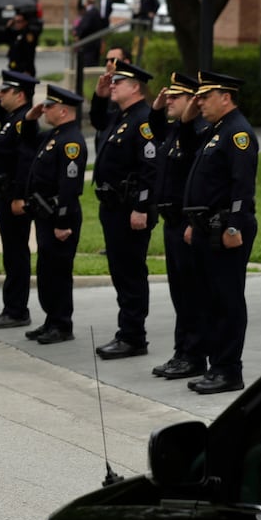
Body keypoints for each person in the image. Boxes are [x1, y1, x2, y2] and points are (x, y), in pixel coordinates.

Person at [180, 70, 258, 394]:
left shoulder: (237, 133)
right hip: (205, 228)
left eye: (205, 97)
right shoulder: (216, 131)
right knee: (210, 301)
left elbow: (242, 186)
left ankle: (229, 371)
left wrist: (233, 226)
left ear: (226, 97)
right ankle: (216, 367)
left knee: (227, 302)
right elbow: (184, 137)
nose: (199, 103)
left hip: (226, 228)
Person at [89, 60, 159, 360]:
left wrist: (142, 207)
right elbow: (97, 120)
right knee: (120, 271)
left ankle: (133, 337)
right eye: (112, 81)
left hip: (130, 209)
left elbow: (151, 168)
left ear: (136, 87)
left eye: (119, 81)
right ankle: (127, 332)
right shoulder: (121, 116)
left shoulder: (144, 120)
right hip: (113, 207)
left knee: (130, 273)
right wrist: (100, 95)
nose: (113, 84)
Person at [148, 72, 209, 380]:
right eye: (168, 96)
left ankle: (194, 356)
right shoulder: (175, 130)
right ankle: (181, 352)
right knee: (179, 294)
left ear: (192, 102)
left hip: (186, 225)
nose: (168, 100)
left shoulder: (197, 131)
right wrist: (157, 108)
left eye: (175, 97)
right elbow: (157, 132)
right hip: (171, 223)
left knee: (191, 295)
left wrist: (189, 222)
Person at [23, 85, 87, 345]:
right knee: (47, 270)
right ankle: (51, 319)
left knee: (59, 271)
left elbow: (69, 186)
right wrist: (30, 118)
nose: (44, 110)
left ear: (63, 110)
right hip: (45, 214)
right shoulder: (55, 135)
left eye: (48, 107)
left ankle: (62, 324)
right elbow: (27, 140)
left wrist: (62, 221)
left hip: (60, 215)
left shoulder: (71, 141)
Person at [0, 70, 40, 330]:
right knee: (11, 253)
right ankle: (12, 307)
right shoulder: (12, 118)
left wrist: (19, 196)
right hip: (3, 195)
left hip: (12, 198)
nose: (0, 94)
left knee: (16, 254)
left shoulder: (22, 122)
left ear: (19, 95)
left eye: (5, 91)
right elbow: (1, 111)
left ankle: (17, 310)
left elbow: (25, 161)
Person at [74, 0, 107, 67]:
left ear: (86, 3)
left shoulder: (90, 13)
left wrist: (78, 34)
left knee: (88, 62)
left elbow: (85, 26)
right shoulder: (95, 12)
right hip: (94, 43)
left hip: (90, 43)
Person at [6, 12, 39, 77]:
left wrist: (27, 70)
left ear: (25, 22)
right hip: (15, 68)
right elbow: (7, 37)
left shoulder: (28, 35)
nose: (16, 24)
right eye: (15, 22)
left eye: (19, 22)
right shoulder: (17, 33)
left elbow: (30, 53)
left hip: (24, 71)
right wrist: (8, 27)